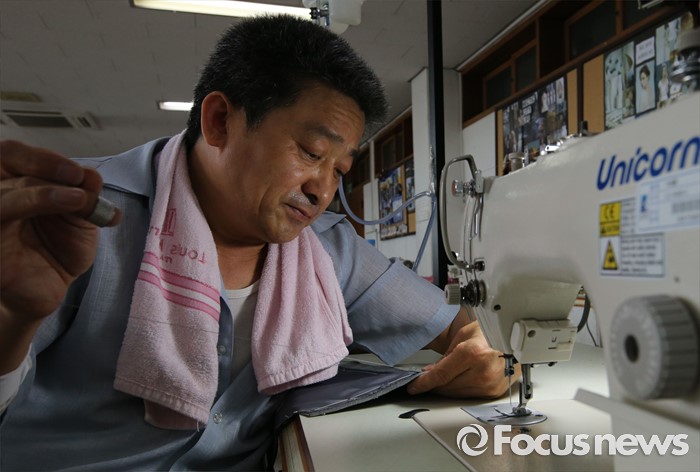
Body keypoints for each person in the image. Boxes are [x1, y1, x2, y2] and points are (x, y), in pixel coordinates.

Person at [0, 15, 512, 471]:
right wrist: (10, 318)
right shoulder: (75, 219)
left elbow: (463, 327)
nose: (322, 191)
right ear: (220, 121)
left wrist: (486, 357)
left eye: (340, 170)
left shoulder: (328, 250)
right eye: (311, 152)